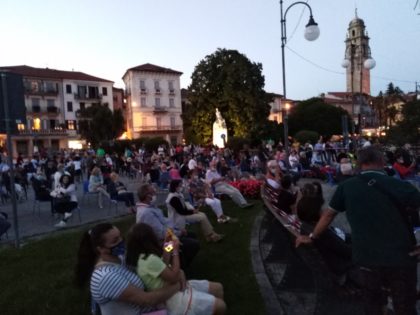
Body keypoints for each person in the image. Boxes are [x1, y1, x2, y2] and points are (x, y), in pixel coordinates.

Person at [296, 146, 420, 315]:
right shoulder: (400, 186)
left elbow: (328, 216)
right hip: (400, 258)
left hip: (367, 260)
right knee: (404, 307)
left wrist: (312, 236)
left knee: (373, 306)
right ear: (382, 162)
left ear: (359, 164)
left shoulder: (346, 187)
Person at [74, 223, 179, 315]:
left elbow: (161, 262)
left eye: (120, 236)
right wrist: (178, 285)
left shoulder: (120, 258)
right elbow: (147, 300)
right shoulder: (105, 276)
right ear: (101, 249)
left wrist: (168, 244)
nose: (121, 241)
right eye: (115, 241)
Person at [126, 223, 226, 315]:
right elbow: (174, 276)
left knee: (218, 288)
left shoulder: (142, 257)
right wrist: (176, 252)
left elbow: (164, 263)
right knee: (221, 306)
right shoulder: (150, 260)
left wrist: (167, 243)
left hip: (178, 287)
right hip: (173, 297)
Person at [136, 183, 200, 269]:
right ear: (148, 196)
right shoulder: (146, 213)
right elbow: (161, 233)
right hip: (162, 245)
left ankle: (181, 261)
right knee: (193, 244)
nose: (155, 194)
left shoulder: (150, 208)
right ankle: (178, 267)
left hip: (167, 237)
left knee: (192, 235)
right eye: (153, 193)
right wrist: (179, 233)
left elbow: (165, 222)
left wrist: (178, 230)